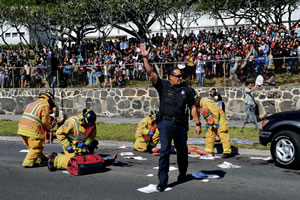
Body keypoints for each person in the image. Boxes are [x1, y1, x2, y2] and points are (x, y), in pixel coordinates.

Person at [139, 43, 201, 192]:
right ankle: (162, 181)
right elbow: (150, 73)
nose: (180, 78)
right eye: (178, 76)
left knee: (182, 151)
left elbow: (193, 107)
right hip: (165, 123)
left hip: (180, 125)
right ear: (170, 77)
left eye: (181, 76)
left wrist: (198, 124)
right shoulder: (163, 85)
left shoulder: (187, 90)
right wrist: (145, 58)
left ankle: (182, 173)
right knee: (165, 151)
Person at [17, 92, 56, 167]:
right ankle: (28, 163)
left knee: (32, 146)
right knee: (37, 146)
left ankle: (39, 159)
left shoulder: (32, 103)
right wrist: (49, 128)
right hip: (31, 128)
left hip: (21, 127)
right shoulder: (45, 105)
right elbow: (45, 121)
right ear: (50, 100)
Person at [194, 93, 232, 158]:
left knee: (223, 134)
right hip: (211, 121)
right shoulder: (199, 106)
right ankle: (209, 151)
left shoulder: (206, 102)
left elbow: (216, 112)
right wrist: (207, 124)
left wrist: (216, 123)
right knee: (209, 135)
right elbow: (206, 116)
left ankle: (227, 152)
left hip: (220, 120)